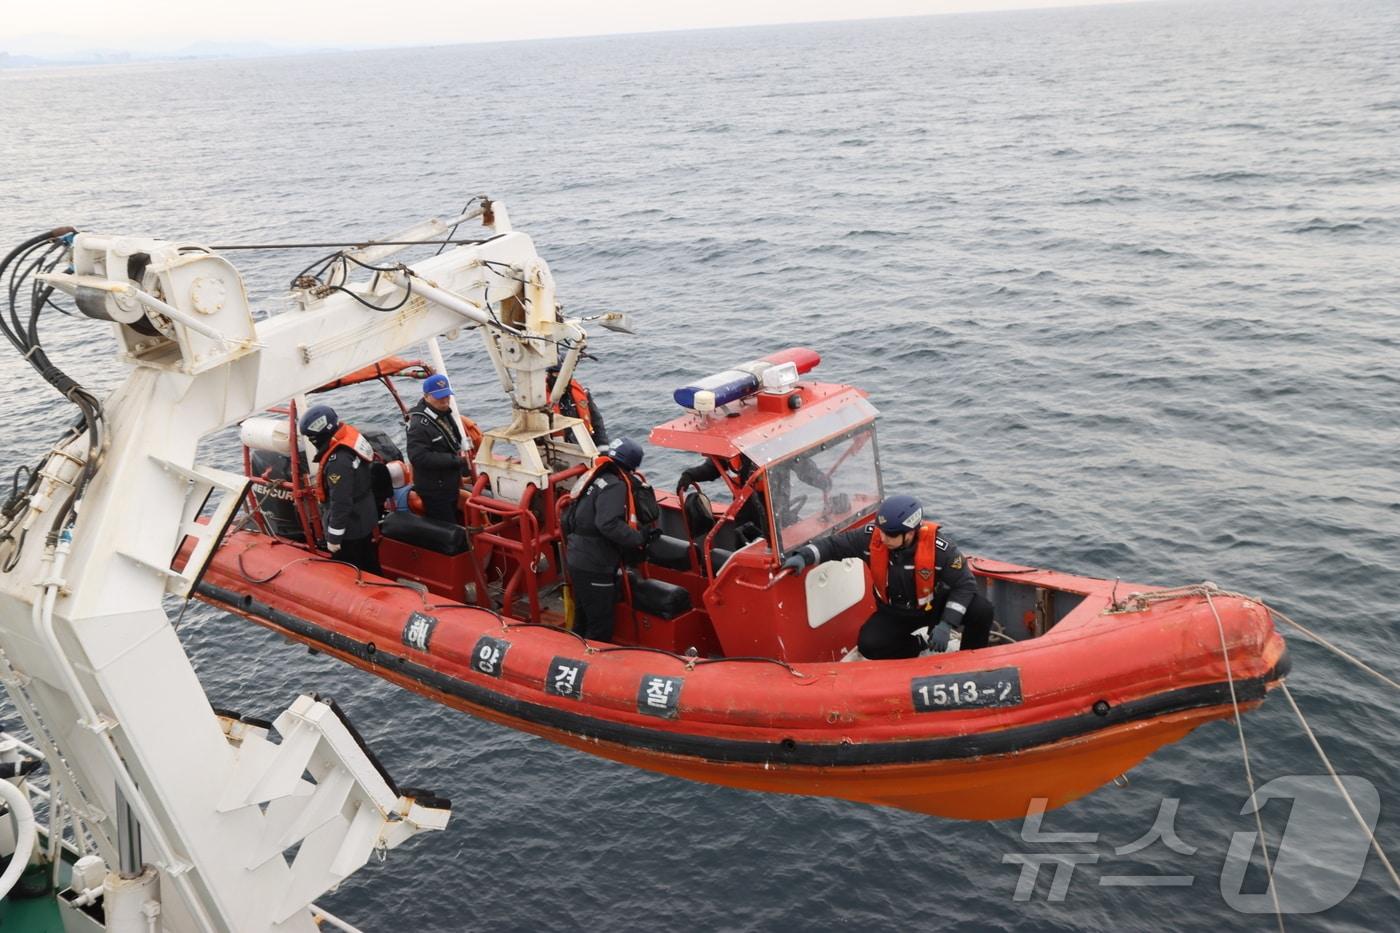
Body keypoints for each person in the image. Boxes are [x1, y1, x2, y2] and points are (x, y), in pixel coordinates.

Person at [781, 494, 993, 659]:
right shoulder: (872, 538)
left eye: (890, 534)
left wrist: (947, 624)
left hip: (932, 607)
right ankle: (917, 645)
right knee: (869, 645)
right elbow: (835, 545)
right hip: (895, 612)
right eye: (881, 531)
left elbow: (965, 584)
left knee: (981, 610)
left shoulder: (941, 550)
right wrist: (804, 556)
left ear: (910, 533)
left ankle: (971, 660)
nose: (883, 538)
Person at [563, 437, 660, 641]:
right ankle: (589, 657)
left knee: (583, 618)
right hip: (594, 563)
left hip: (578, 556)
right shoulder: (615, 486)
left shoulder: (597, 478)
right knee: (601, 626)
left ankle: (573, 650)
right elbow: (608, 524)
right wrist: (638, 538)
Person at [299, 403, 382, 575]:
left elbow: (341, 502)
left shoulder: (338, 462)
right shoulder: (349, 442)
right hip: (365, 516)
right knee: (369, 561)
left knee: (352, 569)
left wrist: (334, 538)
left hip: (352, 527)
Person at [676, 451, 830, 540]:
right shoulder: (734, 445)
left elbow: (802, 466)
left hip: (776, 510)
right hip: (746, 513)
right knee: (745, 543)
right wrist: (690, 475)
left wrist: (821, 480)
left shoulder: (778, 444)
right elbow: (713, 467)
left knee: (782, 544)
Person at [406, 373, 469, 524]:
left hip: (450, 483)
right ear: (426, 396)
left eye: (446, 395)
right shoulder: (418, 425)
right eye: (439, 397)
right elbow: (418, 457)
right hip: (435, 489)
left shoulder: (443, 413)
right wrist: (455, 460)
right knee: (447, 525)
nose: (445, 400)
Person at [547, 364, 608, 447]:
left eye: (565, 374)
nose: (561, 379)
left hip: (584, 443)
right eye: (556, 375)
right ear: (549, 375)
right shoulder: (540, 400)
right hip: (556, 447)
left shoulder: (582, 393)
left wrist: (602, 445)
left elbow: (597, 421)